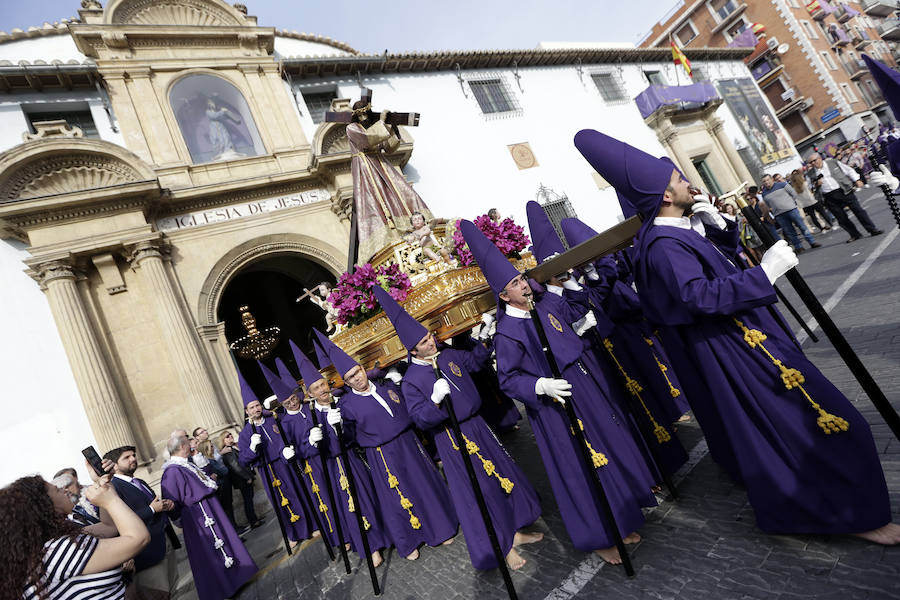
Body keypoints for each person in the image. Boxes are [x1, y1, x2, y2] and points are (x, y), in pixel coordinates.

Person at [574, 128, 900, 544]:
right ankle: (853, 515)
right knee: (818, 420)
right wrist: (763, 273)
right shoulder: (662, 244)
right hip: (738, 345)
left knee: (798, 426)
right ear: (666, 197)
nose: (689, 182)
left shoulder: (675, 232)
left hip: (745, 336)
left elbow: (714, 267)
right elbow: (695, 294)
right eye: (678, 180)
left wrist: (719, 229)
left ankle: (838, 508)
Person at [461, 220, 657, 565]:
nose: (523, 285)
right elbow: (508, 379)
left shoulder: (542, 307)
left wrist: (579, 330)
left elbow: (567, 324)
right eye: (515, 284)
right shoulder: (507, 332)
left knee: (609, 448)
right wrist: (538, 385)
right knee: (582, 468)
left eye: (522, 278)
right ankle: (598, 535)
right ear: (504, 295)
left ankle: (622, 515)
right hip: (555, 405)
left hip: (583, 388)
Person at [372, 284, 543, 570]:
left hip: (478, 425)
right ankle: (500, 548)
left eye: (430, 336)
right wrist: (436, 402)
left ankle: (514, 531)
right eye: (425, 342)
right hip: (452, 439)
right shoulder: (413, 379)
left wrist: (485, 336)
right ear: (413, 350)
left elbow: (475, 362)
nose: (432, 342)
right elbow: (420, 419)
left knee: (500, 474)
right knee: (480, 492)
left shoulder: (448, 356)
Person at [314, 328, 459, 561]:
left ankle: (439, 529)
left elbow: (410, 413)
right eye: (351, 377)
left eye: (358, 372)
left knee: (424, 486)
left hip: (408, 444)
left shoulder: (386, 387)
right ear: (346, 381)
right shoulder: (346, 406)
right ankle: (411, 539)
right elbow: (347, 440)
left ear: (363, 369)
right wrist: (336, 428)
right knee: (398, 498)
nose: (357, 378)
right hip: (382, 454)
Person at [287, 340, 390, 568]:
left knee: (370, 495)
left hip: (353, 458)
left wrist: (343, 428)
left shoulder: (343, 403)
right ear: (309, 394)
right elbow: (304, 449)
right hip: (333, 467)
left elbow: (356, 434)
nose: (323, 390)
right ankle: (369, 546)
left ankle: (385, 535)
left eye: (323, 385)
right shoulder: (311, 417)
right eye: (317, 389)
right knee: (351, 506)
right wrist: (312, 442)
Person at [3, 460, 150, 600]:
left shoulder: (54, 544)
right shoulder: (58, 550)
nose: (63, 489)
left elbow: (109, 527)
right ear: (44, 506)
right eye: (56, 490)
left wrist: (102, 484)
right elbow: (139, 539)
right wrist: (111, 501)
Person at [162, 435, 258, 600]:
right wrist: (180, 518)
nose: (192, 447)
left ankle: (235, 579)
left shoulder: (186, 465)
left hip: (208, 509)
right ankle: (223, 588)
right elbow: (171, 501)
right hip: (198, 516)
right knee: (209, 553)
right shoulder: (172, 471)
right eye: (188, 444)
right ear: (183, 447)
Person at [236, 369, 318, 549]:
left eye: (257, 405)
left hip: (286, 465)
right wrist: (251, 448)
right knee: (281, 503)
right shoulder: (245, 434)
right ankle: (293, 533)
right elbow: (243, 461)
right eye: (252, 407)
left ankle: (311, 526)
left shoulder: (275, 419)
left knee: (299, 493)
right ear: (246, 411)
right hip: (268, 471)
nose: (256, 409)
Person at [346, 99, 435, 261]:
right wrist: (383, 122)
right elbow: (367, 139)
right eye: (361, 114)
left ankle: (416, 223)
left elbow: (389, 147)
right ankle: (386, 236)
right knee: (374, 198)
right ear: (356, 116)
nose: (365, 117)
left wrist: (393, 127)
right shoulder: (351, 128)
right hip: (366, 167)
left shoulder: (375, 126)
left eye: (367, 113)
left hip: (382, 164)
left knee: (401, 191)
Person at [103, 445, 174, 598]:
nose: (133, 459)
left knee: (173, 589)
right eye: (126, 457)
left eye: (133, 455)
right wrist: (152, 509)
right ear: (114, 465)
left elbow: (153, 505)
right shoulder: (113, 488)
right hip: (147, 555)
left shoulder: (139, 481)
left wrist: (164, 505)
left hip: (164, 542)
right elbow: (120, 521)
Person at [807, 152, 883, 243]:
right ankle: (855, 234)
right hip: (828, 196)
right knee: (841, 218)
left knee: (858, 210)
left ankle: (872, 229)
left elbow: (849, 170)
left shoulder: (833, 162)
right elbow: (810, 187)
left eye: (814, 161)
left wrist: (857, 180)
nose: (813, 163)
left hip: (843, 190)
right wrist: (816, 184)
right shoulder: (810, 174)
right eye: (810, 162)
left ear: (819, 158)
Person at [761, 174, 820, 253]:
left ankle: (812, 242)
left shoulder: (782, 185)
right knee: (790, 232)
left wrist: (793, 205)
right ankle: (798, 247)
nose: (766, 182)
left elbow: (793, 194)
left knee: (802, 227)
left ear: (772, 179)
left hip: (791, 210)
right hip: (779, 215)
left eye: (768, 180)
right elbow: (768, 205)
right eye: (764, 181)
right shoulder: (764, 193)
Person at [217, 431, 262, 531]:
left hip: (244, 478)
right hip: (242, 479)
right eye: (227, 437)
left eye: (230, 435)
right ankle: (253, 521)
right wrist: (247, 477)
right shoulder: (227, 452)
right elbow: (236, 467)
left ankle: (254, 518)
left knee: (249, 499)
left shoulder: (233, 448)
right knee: (248, 500)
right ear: (223, 441)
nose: (230, 437)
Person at [193, 426, 233, 525]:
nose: (205, 432)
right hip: (219, 479)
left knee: (229, 504)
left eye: (205, 430)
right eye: (202, 432)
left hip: (223, 475)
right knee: (225, 506)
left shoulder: (211, 443)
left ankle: (234, 526)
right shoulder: (200, 449)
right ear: (197, 437)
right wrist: (221, 454)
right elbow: (211, 461)